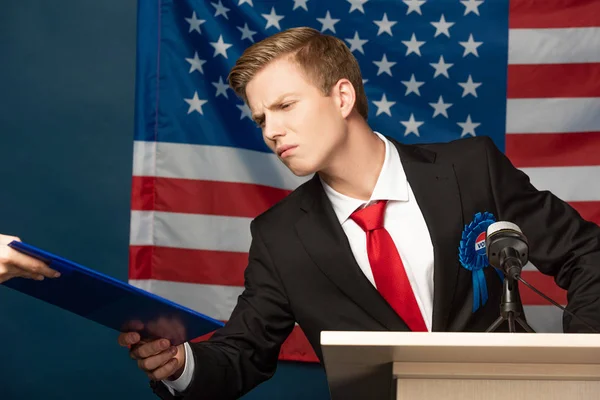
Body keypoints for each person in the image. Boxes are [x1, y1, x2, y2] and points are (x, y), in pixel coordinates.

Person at [118, 27, 600, 399]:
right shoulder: (279, 236)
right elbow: (243, 353)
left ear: (342, 97)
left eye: (286, 105)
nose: (271, 131)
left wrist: (581, 364)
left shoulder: (470, 168)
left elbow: (587, 253)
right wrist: (181, 366)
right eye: (262, 118)